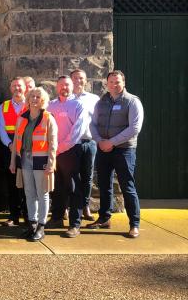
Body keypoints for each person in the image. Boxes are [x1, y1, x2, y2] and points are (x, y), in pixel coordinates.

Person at [88, 71, 143, 238]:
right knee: (104, 185)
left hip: (124, 150)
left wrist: (111, 142)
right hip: (104, 150)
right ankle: (104, 218)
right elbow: (93, 124)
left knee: (127, 187)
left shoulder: (132, 101)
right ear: (107, 83)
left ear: (123, 83)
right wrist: (99, 141)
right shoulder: (101, 102)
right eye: (111, 82)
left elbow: (134, 128)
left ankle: (134, 224)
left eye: (117, 82)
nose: (114, 85)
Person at [10, 87, 58, 242]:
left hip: (41, 160)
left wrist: (51, 163)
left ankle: (41, 226)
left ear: (42, 100)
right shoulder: (21, 118)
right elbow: (16, 142)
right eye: (32, 96)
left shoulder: (48, 118)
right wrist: (13, 162)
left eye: (38, 97)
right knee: (29, 193)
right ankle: (32, 224)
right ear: (28, 99)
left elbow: (53, 144)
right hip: (25, 159)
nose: (35, 99)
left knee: (42, 193)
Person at [47, 76, 88, 236]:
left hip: (70, 151)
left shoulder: (78, 105)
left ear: (73, 86)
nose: (64, 87)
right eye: (61, 85)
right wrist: (52, 150)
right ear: (57, 87)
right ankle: (57, 218)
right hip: (53, 152)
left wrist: (60, 148)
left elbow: (77, 131)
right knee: (57, 187)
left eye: (67, 85)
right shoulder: (51, 105)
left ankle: (75, 224)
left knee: (73, 187)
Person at [0, 77, 28, 227]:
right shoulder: (4, 106)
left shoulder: (30, 104)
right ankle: (14, 216)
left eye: (19, 86)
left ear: (25, 88)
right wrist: (9, 144)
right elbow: (1, 128)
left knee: (28, 185)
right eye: (14, 86)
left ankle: (29, 216)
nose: (17, 89)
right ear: (10, 88)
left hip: (28, 151)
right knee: (12, 185)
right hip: (9, 150)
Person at [70, 68, 101, 221]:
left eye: (81, 78)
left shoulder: (94, 99)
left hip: (89, 143)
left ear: (86, 81)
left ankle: (85, 207)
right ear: (70, 81)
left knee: (87, 177)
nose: (78, 81)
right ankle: (69, 207)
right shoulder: (66, 99)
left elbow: (99, 121)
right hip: (70, 145)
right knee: (71, 177)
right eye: (75, 78)